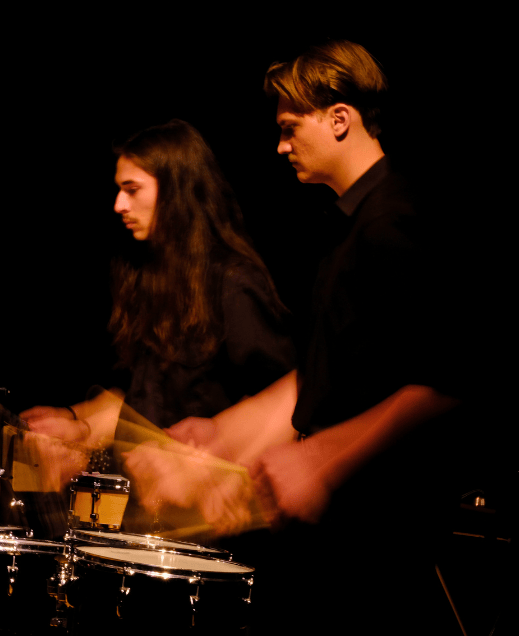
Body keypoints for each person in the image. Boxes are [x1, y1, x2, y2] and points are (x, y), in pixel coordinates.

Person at [122, 41, 468, 635]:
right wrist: (224, 434)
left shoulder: (395, 222)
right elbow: (321, 375)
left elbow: (446, 382)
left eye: (289, 128)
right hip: (337, 535)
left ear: (340, 119)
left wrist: (323, 460)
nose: (280, 146)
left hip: (383, 537)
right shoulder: (346, 229)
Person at [21, 119, 294, 465]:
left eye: (132, 190)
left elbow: (281, 408)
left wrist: (211, 457)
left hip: (215, 504)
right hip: (154, 501)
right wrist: (79, 426)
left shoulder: (232, 283)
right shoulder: (148, 277)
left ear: (175, 190)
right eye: (120, 190)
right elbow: (146, 404)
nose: (119, 204)